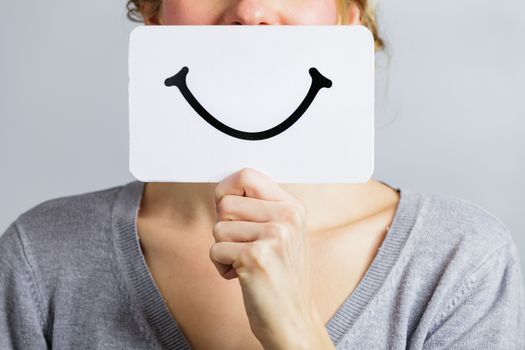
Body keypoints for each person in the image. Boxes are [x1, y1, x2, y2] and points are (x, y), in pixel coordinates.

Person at [1, 1, 524, 349]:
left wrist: (296, 329)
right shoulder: (42, 257)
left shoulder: (460, 263)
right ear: (156, 15)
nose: (249, 11)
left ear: (350, 17)